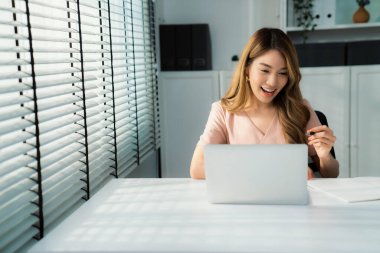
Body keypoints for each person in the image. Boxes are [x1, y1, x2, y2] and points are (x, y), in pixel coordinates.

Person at [189, 27, 339, 180]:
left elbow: (332, 174)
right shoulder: (223, 111)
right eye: (265, 71)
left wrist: (325, 155)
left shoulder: (300, 109)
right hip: (245, 202)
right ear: (247, 70)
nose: (273, 82)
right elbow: (197, 169)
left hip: (290, 203)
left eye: (283, 73)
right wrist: (274, 172)